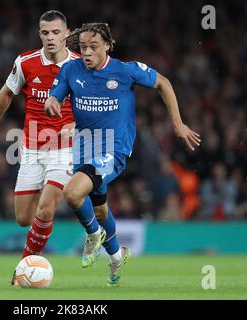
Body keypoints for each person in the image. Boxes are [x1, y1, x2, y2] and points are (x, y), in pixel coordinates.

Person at [45, 23, 201, 286]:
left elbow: (163, 83)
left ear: (107, 45)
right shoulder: (71, 69)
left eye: (93, 47)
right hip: (83, 146)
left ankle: (93, 235)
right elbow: (56, 95)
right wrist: (52, 102)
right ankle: (117, 255)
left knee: (72, 193)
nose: (87, 52)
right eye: (83, 47)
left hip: (113, 148)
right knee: (100, 208)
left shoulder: (126, 70)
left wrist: (177, 123)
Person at [0, 10, 79, 285]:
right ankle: (41, 232)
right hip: (32, 148)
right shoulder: (26, 63)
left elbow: (96, 104)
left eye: (56, 32)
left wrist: (80, 125)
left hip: (66, 149)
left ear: (67, 34)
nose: (50, 37)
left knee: (46, 209)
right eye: (45, 32)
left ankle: (23, 269)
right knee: (24, 218)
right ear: (40, 34)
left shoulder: (81, 65)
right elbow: (6, 92)